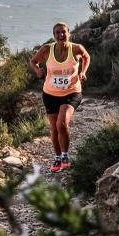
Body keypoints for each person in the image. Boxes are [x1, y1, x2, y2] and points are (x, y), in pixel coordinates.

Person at [29, 22, 90, 172]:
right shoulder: (47, 50)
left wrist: (82, 71)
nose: (60, 35)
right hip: (50, 94)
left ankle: (65, 156)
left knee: (62, 123)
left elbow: (86, 57)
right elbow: (33, 61)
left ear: (69, 33)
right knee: (54, 129)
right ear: (53, 35)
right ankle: (57, 158)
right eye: (57, 33)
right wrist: (37, 71)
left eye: (63, 32)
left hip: (71, 93)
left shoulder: (76, 48)